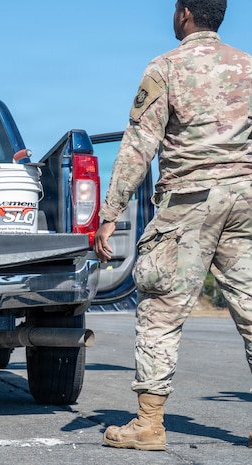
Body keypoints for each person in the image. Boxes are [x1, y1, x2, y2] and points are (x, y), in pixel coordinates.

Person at [94, 0, 252, 451]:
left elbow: (138, 146)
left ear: (184, 13)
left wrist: (110, 216)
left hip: (190, 202)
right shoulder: (247, 66)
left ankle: (148, 423)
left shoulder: (166, 67)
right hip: (244, 201)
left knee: (161, 309)